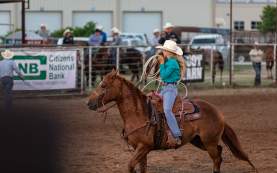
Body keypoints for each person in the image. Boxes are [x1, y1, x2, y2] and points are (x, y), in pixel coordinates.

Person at [156, 40, 186, 147]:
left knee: (167, 110)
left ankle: (177, 134)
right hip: (166, 88)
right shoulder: (169, 61)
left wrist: (162, 63)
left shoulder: (172, 63)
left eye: (164, 50)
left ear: (168, 52)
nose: (162, 51)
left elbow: (163, 75)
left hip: (170, 89)